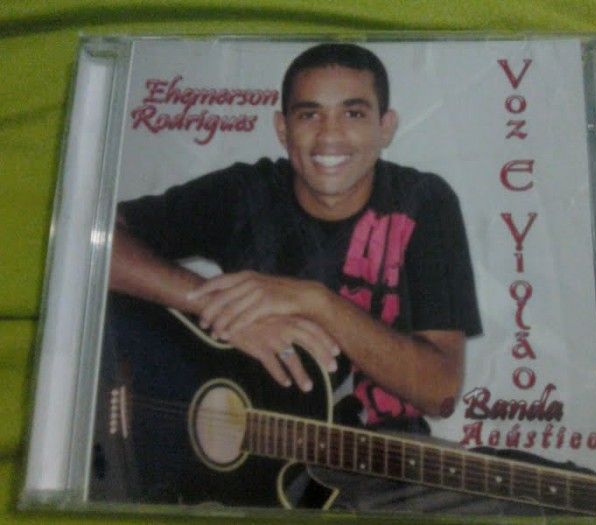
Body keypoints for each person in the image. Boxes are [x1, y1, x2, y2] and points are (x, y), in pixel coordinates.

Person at [107, 43, 485, 510]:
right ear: (282, 129)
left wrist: (316, 302)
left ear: (385, 127)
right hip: (244, 486)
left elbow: (439, 393)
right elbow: (93, 241)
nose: (330, 136)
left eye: (353, 114)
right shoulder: (245, 194)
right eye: (309, 115)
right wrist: (215, 306)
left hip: (387, 476)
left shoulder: (423, 203)